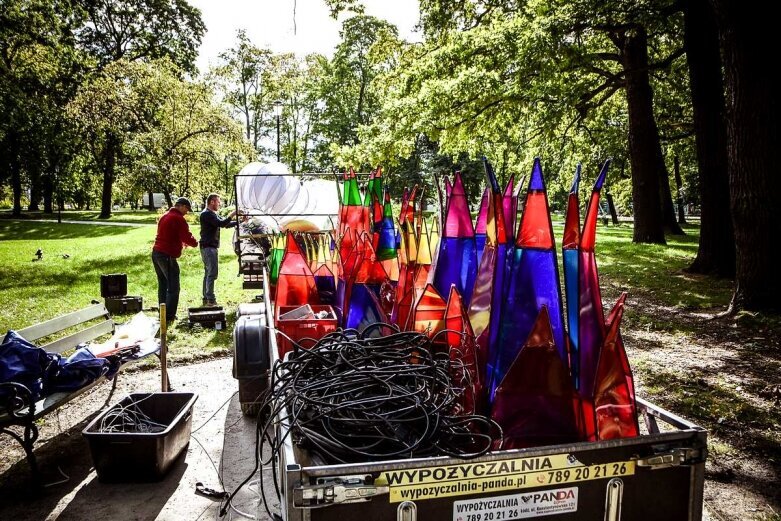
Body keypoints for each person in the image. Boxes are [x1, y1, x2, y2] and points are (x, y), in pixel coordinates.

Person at [152, 197, 198, 322]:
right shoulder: (178, 218)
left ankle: (162, 313)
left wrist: (180, 242)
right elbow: (186, 236)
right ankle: (169, 316)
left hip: (156, 253)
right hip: (167, 255)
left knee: (163, 284)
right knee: (173, 287)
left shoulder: (165, 215)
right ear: (181, 206)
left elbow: (171, 234)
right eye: (187, 209)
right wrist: (195, 243)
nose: (187, 212)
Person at [199, 193, 238, 306]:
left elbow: (225, 224)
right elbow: (221, 223)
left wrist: (239, 222)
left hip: (208, 247)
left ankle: (206, 297)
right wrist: (233, 213)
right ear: (212, 202)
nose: (219, 204)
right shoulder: (207, 214)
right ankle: (210, 299)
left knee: (208, 273)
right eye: (218, 202)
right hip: (208, 248)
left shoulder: (211, 214)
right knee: (212, 273)